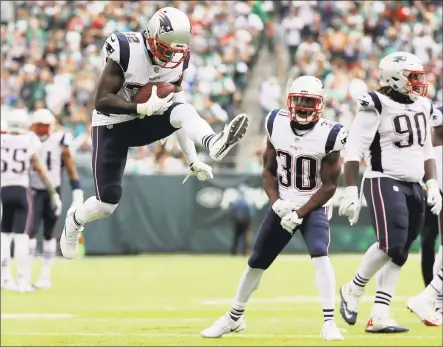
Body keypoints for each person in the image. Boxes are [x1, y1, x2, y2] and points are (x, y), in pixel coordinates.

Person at [60, 7, 249, 259]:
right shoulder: (127, 49)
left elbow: (179, 112)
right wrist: (140, 106)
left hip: (142, 120)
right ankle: (74, 220)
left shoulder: (179, 61)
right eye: (165, 48)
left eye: (176, 51)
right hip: (111, 123)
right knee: (107, 204)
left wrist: (192, 159)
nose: (170, 56)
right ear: (150, 37)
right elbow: (101, 100)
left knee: (184, 108)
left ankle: (213, 141)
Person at [201, 76, 348, 341]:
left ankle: (329, 322)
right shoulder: (275, 122)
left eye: (309, 101)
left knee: (320, 255)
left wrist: (299, 213)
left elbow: (328, 187)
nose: (303, 106)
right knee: (257, 261)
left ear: (320, 104)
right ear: (289, 100)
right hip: (283, 204)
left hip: (313, 205)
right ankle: (234, 317)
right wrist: (277, 203)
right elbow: (268, 172)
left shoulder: (331, 134)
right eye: (299, 100)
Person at [338, 52, 442, 333]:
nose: (419, 82)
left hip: (414, 183)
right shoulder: (375, 103)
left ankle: (380, 315)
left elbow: (426, 150)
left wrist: (432, 183)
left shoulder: (423, 104)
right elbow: (354, 149)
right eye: (413, 76)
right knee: (391, 244)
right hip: (383, 179)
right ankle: (353, 288)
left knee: (401, 252)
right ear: (395, 77)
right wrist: (349, 189)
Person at [0, 109, 61, 292]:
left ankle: (5, 278)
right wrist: (53, 192)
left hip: (3, 190)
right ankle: (22, 280)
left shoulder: (2, 139)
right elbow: (40, 168)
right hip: (21, 191)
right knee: (21, 237)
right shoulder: (30, 140)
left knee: (3, 236)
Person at [28, 109, 84, 289]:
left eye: (44, 127)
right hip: (34, 189)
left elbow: (69, 164)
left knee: (49, 233)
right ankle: (26, 275)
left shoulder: (59, 139)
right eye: (38, 127)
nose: (41, 131)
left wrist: (77, 190)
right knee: (30, 232)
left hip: (54, 190)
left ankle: (45, 276)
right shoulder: (28, 139)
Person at [407, 105, 443, 326]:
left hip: (428, 196)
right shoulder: (432, 152)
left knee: (435, 248)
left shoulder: (428, 151)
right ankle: (430, 297)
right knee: (430, 244)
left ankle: (434, 300)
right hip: (429, 197)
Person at [228, 189, 253, 256]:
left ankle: (233, 252)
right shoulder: (246, 202)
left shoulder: (235, 202)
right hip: (245, 221)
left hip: (237, 221)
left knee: (236, 237)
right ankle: (244, 252)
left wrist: (233, 219)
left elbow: (231, 211)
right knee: (244, 237)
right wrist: (249, 221)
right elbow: (250, 212)